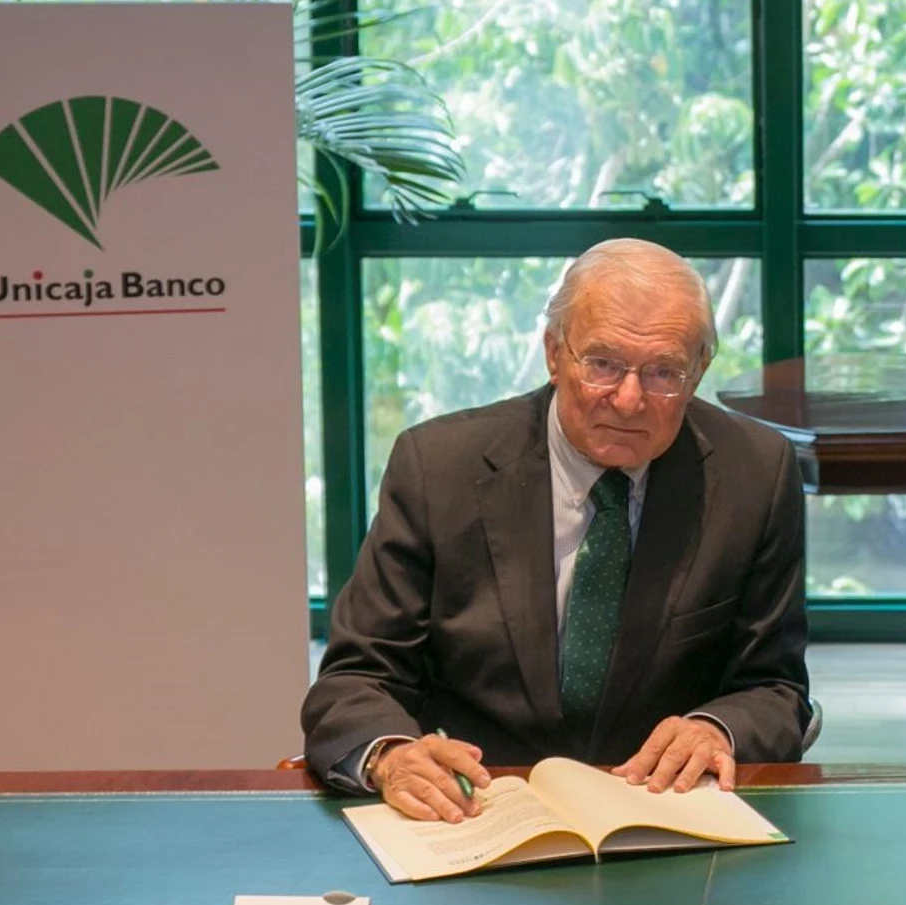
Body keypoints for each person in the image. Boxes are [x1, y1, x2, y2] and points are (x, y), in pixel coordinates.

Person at [303, 238, 809, 822]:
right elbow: (356, 676)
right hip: (476, 810)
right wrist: (391, 756)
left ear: (698, 372)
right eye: (602, 364)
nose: (627, 399)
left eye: (663, 372)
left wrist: (716, 728)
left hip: (663, 813)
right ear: (553, 353)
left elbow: (776, 687)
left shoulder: (755, 474)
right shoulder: (439, 468)